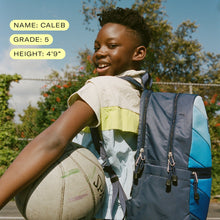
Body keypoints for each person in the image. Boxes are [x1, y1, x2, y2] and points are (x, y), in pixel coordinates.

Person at [0, 7, 151, 220]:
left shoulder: (102, 88)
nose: (99, 52)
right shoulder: (142, 96)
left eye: (112, 45)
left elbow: (52, 141)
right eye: (97, 46)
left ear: (138, 53)